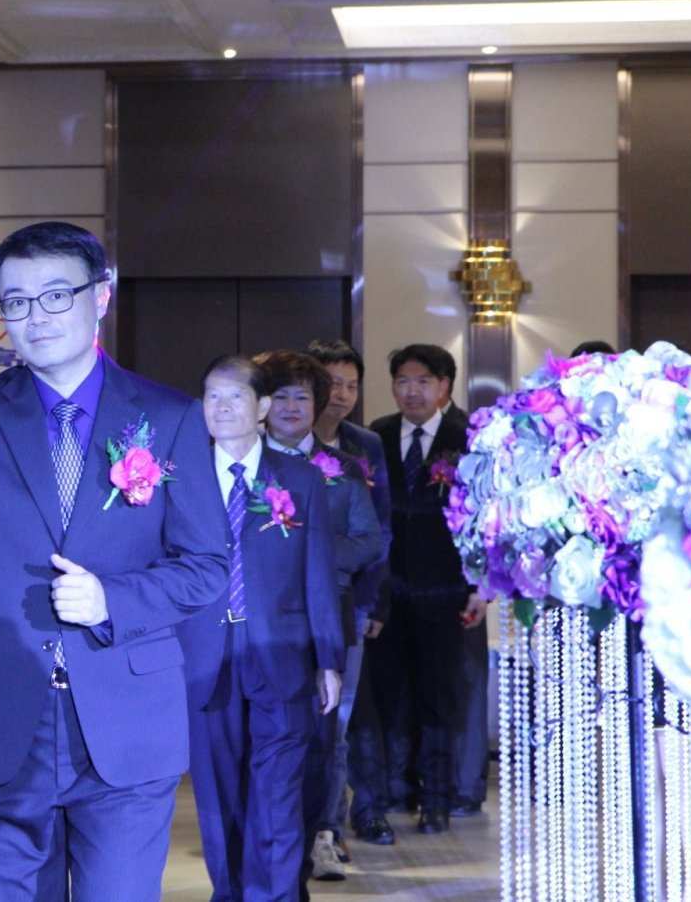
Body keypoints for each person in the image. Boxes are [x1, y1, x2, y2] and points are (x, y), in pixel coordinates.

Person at [0, 222, 229, 901]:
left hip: (124, 719)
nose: (35, 317)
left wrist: (113, 600)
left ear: (101, 296)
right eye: (16, 302)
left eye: (56, 295)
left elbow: (207, 565)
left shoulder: (169, 416)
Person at [180, 354, 343, 902]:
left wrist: (328, 658)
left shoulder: (299, 479)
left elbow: (318, 573)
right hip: (205, 659)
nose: (222, 408)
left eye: (235, 396)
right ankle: (230, 892)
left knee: (278, 795)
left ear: (263, 408)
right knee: (219, 797)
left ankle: (272, 895)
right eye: (212, 396)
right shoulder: (180, 479)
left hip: (283, 655)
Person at [256, 349, 387, 883]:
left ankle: (322, 835)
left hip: (329, 613)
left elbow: (369, 540)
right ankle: (265, 838)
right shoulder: (242, 462)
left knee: (328, 729)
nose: (291, 407)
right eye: (280, 396)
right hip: (258, 618)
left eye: (302, 397)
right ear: (263, 404)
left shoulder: (345, 468)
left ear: (317, 405)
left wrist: (311, 557)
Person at [362, 345, 485, 836]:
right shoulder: (376, 436)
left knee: (440, 699)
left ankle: (436, 800)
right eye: (402, 382)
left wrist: (481, 585)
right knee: (390, 696)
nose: (411, 391)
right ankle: (395, 791)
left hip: (445, 591)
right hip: (389, 592)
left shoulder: (468, 437)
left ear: (444, 387)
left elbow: (484, 517)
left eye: (423, 382)